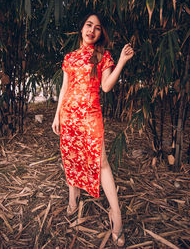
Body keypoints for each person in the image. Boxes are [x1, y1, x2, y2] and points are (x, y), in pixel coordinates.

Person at [52, 12, 134, 246]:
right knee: (70, 156)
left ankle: (116, 217)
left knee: (101, 163)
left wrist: (121, 61)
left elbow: (106, 87)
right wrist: (57, 115)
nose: (92, 30)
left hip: (89, 116)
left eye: (97, 28)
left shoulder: (102, 55)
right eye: (89, 25)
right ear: (81, 29)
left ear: (100, 33)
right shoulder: (69, 57)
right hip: (69, 116)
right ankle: (72, 200)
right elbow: (64, 88)